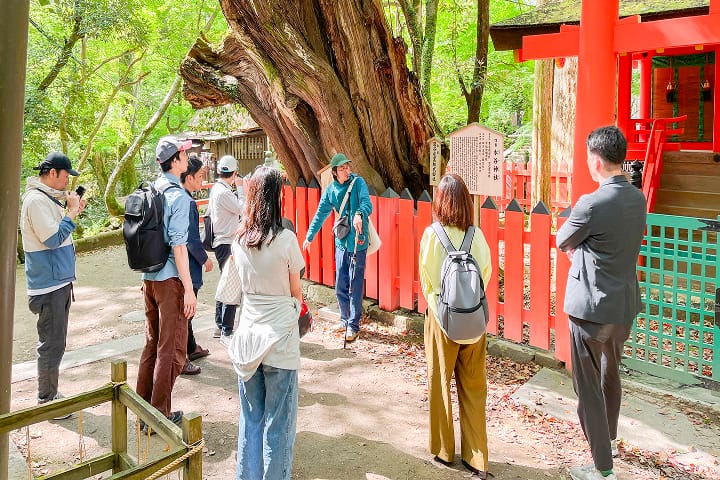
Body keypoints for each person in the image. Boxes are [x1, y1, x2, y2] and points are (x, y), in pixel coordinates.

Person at [556, 126, 647, 480]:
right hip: (623, 305)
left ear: (595, 161)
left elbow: (563, 239)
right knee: (611, 371)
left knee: (587, 387)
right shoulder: (637, 198)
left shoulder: (591, 203)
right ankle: (608, 439)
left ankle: (603, 468)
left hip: (590, 309)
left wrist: (579, 251)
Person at [227, 166, 305, 480]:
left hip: (248, 336)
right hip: (280, 340)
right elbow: (296, 292)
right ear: (276, 197)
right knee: (279, 424)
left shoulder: (238, 241)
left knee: (251, 420)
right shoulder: (286, 240)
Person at [418, 173, 492, 478]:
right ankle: (477, 456)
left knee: (440, 382)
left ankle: (444, 449)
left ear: (440, 203)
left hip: (442, 320)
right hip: (474, 323)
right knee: (474, 387)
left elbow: (427, 280)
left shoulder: (432, 236)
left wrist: (439, 307)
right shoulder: (478, 236)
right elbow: (486, 275)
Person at [136, 136, 197, 427]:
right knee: (172, 349)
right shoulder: (178, 197)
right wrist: (189, 290)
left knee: (152, 344)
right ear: (174, 161)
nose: (187, 157)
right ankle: (159, 415)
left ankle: (142, 408)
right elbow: (179, 247)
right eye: (184, 153)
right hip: (170, 280)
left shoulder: (152, 189)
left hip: (148, 279)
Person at [20, 152, 86, 417]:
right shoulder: (36, 201)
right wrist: (71, 212)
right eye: (66, 176)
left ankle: (50, 394)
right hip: (48, 285)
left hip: (57, 281)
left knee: (56, 342)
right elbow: (52, 239)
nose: (68, 181)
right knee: (51, 344)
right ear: (52, 173)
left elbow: (58, 231)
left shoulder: (47, 199)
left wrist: (72, 212)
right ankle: (47, 400)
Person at [302, 153, 372, 342]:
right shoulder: (331, 190)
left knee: (355, 283)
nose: (347, 170)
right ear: (334, 172)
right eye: (342, 168)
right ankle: (344, 319)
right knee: (341, 282)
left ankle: (353, 326)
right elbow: (320, 213)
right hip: (341, 242)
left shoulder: (358, 183)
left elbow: (367, 204)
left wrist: (359, 213)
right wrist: (310, 236)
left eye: (348, 167)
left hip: (358, 240)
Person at [180, 154, 213, 375]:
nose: (202, 180)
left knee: (187, 311)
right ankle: (182, 356)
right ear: (189, 177)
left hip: (183, 264)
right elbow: (191, 239)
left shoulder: (179, 197)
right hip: (188, 267)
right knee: (187, 311)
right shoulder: (187, 202)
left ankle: (191, 347)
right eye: (200, 176)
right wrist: (205, 259)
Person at [209, 154, 245, 344]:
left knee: (225, 283)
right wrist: (241, 188)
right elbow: (243, 209)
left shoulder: (217, 189)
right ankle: (226, 330)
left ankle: (219, 324)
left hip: (222, 242)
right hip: (227, 242)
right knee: (232, 285)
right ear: (234, 172)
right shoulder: (224, 192)